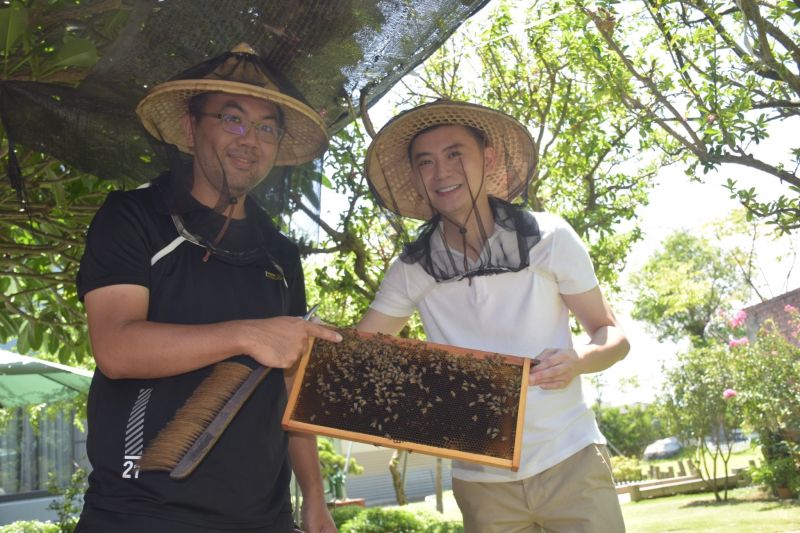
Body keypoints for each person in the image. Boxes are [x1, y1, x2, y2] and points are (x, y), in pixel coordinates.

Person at [75, 43, 342, 532]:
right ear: (191, 127)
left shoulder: (280, 254)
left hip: (265, 518)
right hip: (143, 512)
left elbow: (291, 383)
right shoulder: (134, 217)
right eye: (233, 119)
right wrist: (248, 335)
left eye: (266, 128)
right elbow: (114, 347)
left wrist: (315, 495)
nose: (250, 140)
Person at [357, 99, 630, 532]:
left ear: (488, 158)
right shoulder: (409, 269)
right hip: (480, 481)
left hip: (571, 460)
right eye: (425, 162)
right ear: (416, 177)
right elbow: (357, 357)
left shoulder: (551, 237)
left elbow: (611, 334)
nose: (441, 172)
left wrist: (579, 359)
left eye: (454, 154)